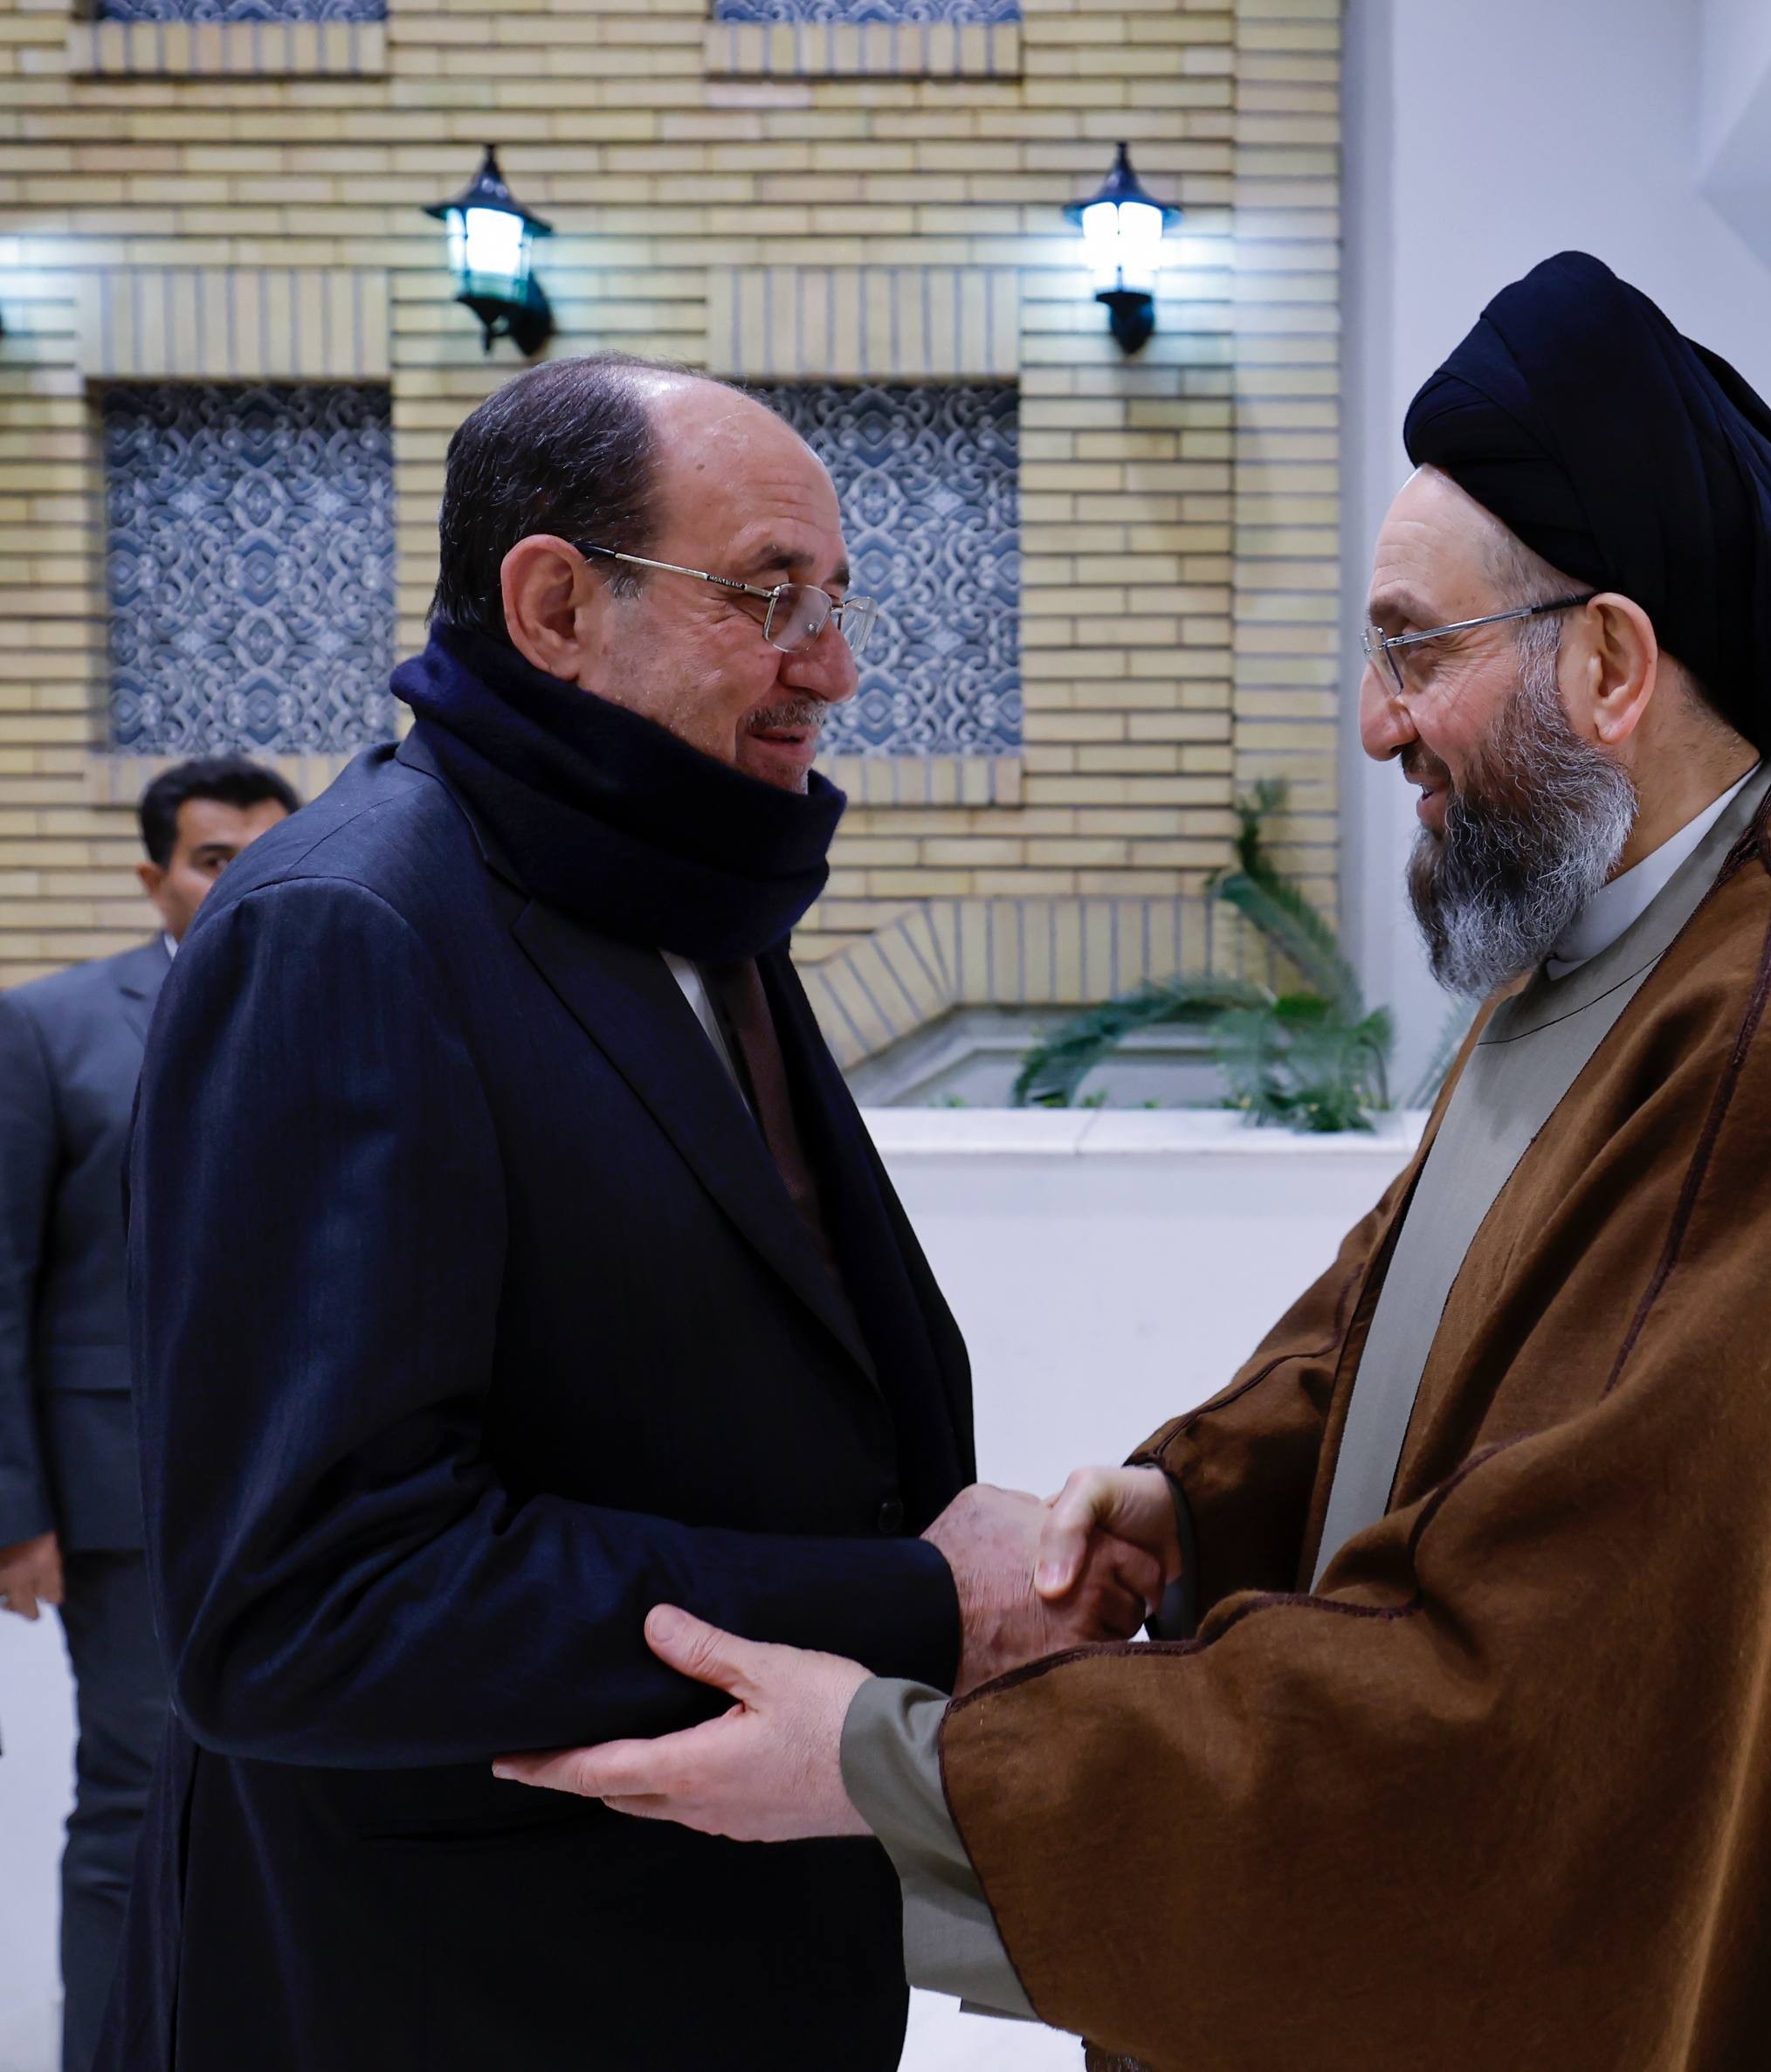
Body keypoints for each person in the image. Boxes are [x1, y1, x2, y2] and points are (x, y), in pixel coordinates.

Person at [501, 257, 1771, 2069]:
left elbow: (1530, 1708)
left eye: (1414, 647)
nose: (1373, 721)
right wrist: (1188, 1496)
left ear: (1607, 664)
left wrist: (890, 1763)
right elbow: (1398, 1324)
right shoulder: (1624, 951)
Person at [100, 355, 1154, 2072]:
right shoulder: (349, 929)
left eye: (836, 601)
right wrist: (912, 1605)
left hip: (714, 1965)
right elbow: (312, 1602)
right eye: (768, 596)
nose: (834, 665)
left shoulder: (677, 882)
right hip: (460, 1995)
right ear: (554, 605)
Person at [0, 755, 296, 2072]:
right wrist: (16, 1509)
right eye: (213, 859)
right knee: (132, 1794)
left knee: (287, 1801)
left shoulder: (333, 999)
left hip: (301, 1483)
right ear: (153, 876)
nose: (241, 882)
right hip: (120, 1490)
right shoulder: (48, 1028)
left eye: (265, 856)